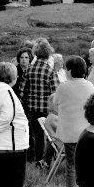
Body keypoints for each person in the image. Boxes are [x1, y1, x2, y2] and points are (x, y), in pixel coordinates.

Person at [48, 56, 94, 187]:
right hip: (87, 132)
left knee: (71, 166)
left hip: (70, 134)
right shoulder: (89, 86)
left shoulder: (63, 87)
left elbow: (54, 104)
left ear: (69, 70)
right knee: (87, 165)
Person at [22, 38, 57, 166]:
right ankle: (47, 160)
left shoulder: (29, 69)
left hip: (32, 107)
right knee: (50, 135)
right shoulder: (50, 70)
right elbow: (55, 92)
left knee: (37, 136)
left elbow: (22, 90)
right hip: (47, 108)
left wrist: (26, 103)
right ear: (48, 53)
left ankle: (38, 159)